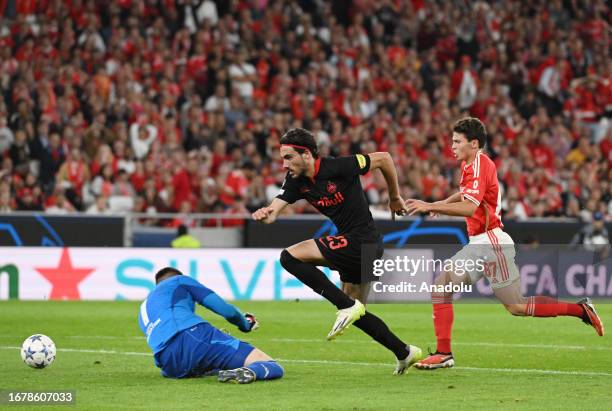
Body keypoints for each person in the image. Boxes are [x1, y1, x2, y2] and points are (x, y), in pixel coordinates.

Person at [405, 117, 605, 370]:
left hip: (489, 242)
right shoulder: (471, 165)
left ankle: (444, 353)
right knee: (515, 306)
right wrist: (443, 202)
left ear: (474, 143)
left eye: (457, 141)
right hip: (485, 242)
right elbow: (464, 195)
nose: (452, 146)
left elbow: (469, 207)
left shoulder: (479, 164)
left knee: (448, 287)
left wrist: (432, 205)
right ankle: (581, 310)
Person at [252, 128, 422, 374]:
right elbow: (274, 211)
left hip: (364, 241)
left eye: (288, 157)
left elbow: (384, 158)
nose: (283, 164)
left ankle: (345, 306)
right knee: (358, 312)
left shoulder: (340, 166)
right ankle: (405, 352)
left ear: (307, 155)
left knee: (289, 256)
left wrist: (394, 197)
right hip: (354, 245)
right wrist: (266, 214)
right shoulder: (296, 182)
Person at [138, 267, 284, 384]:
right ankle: (250, 372)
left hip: (169, 363)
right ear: (176, 276)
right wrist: (245, 323)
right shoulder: (179, 281)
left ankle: (218, 367)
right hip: (194, 337)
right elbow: (228, 311)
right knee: (272, 365)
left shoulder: (144, 308)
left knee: (208, 364)